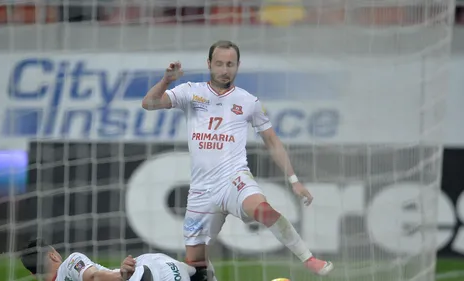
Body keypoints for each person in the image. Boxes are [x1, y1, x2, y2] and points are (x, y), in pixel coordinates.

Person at [141, 40, 334, 281]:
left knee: (263, 210)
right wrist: (167, 81)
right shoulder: (191, 91)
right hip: (202, 190)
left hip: (235, 179)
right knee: (195, 267)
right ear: (209, 64)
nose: (224, 69)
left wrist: (294, 180)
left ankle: (308, 259)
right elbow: (148, 104)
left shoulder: (248, 101)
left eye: (230, 64)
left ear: (238, 66)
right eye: (219, 63)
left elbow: (272, 142)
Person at [19, 238, 196, 281]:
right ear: (53, 255)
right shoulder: (70, 262)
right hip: (150, 272)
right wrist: (123, 276)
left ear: (33, 273)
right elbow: (93, 276)